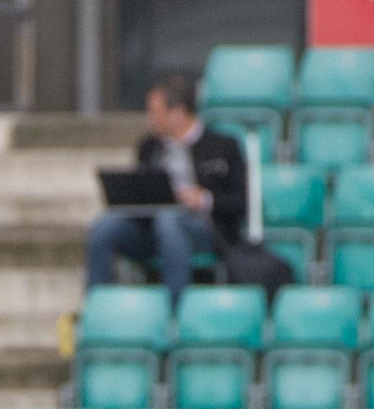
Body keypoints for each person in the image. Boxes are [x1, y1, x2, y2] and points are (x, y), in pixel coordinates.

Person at [84, 75, 251, 291]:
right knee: (105, 225)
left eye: (155, 112)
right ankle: (98, 302)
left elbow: (241, 201)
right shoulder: (149, 147)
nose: (150, 118)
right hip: (152, 228)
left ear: (178, 113)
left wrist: (203, 199)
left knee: (169, 219)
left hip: (205, 229)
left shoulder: (223, 146)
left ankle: (175, 305)